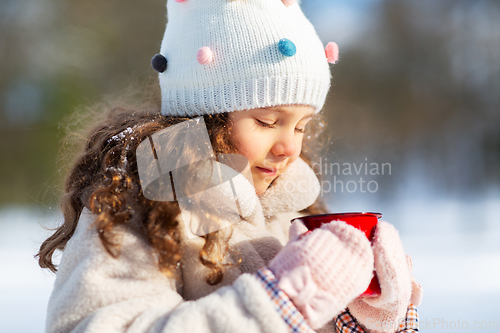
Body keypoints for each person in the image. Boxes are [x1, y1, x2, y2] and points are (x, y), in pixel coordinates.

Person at [37, 0, 422, 332]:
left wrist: (366, 317)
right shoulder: (143, 204)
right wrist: (283, 300)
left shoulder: (294, 210)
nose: (290, 146)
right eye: (267, 122)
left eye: (302, 126)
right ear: (207, 116)